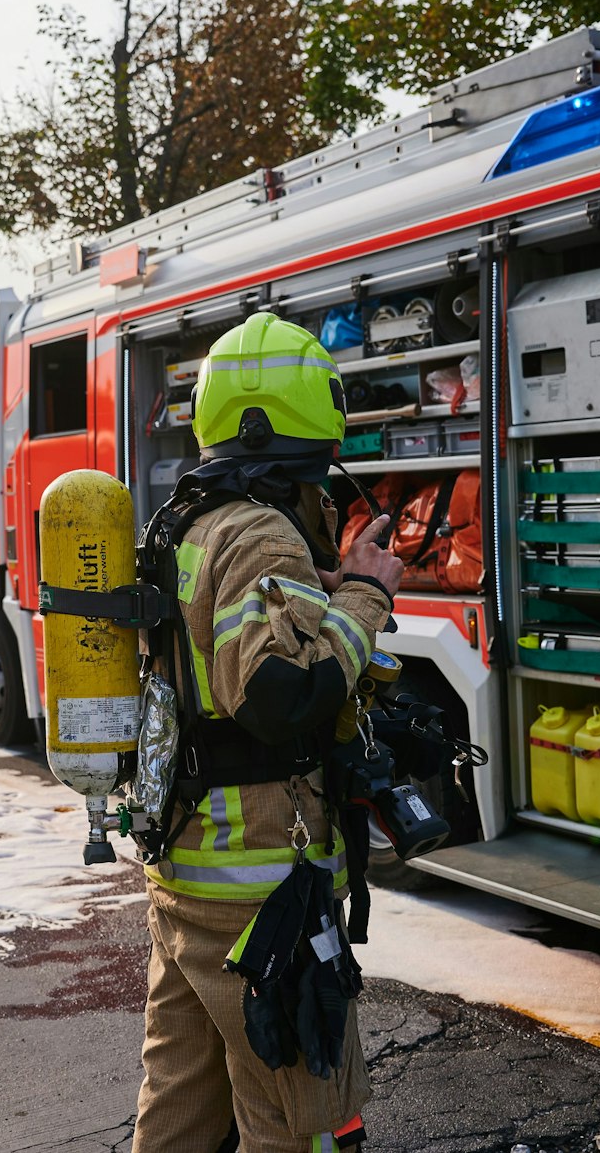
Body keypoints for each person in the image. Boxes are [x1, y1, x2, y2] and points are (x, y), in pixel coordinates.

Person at [134, 312, 402, 1153]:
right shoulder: (261, 532)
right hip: (258, 893)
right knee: (302, 1121)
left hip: (187, 871)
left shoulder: (194, 521)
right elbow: (277, 695)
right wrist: (365, 592)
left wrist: (317, 583)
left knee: (179, 1108)